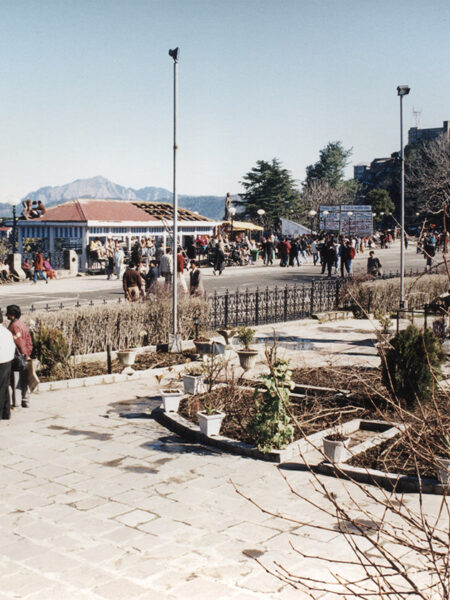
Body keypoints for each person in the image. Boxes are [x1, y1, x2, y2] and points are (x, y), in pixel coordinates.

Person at [6, 305, 33, 408]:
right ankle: (25, 400)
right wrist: (27, 353)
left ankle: (17, 402)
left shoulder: (14, 326)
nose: (6, 315)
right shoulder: (22, 324)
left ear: (11, 315)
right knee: (24, 379)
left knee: (16, 380)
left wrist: (23, 354)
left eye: (8, 313)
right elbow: (29, 340)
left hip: (18, 357)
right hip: (25, 355)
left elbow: (19, 342)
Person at [0, 309, 15, 420]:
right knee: (4, 386)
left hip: (1, 361)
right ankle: (6, 412)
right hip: (7, 361)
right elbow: (12, 346)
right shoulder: (6, 332)